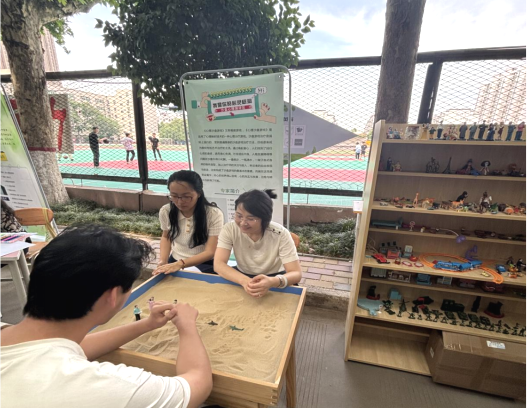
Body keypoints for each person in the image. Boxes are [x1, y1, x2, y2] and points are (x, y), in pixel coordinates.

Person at [0, 225, 212, 408]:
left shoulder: (18, 341)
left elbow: (69, 347)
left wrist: (146, 324)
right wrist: (187, 325)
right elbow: (197, 384)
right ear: (112, 296)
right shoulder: (110, 386)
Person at [214, 189, 302, 298]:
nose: (243, 223)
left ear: (265, 219)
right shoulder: (230, 229)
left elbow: (296, 273)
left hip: (274, 277)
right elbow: (218, 264)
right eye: (239, 216)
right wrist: (246, 282)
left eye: (250, 219)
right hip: (243, 274)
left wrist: (273, 281)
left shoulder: (280, 234)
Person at [154, 171, 224, 275]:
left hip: (204, 263)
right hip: (175, 260)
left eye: (186, 196)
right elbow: (166, 237)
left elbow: (210, 252)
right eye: (174, 196)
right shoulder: (166, 211)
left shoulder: (213, 214)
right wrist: (163, 261)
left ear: (199, 193)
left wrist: (181, 264)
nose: (180, 202)